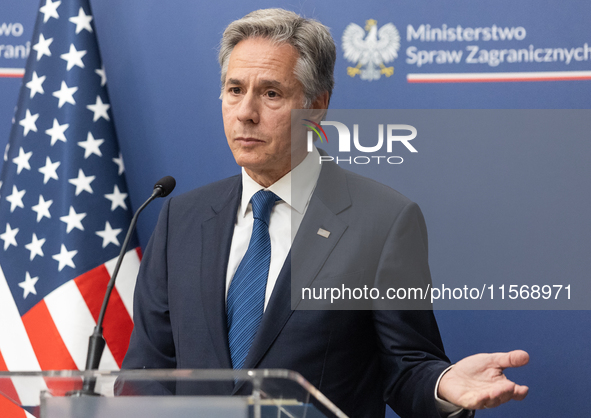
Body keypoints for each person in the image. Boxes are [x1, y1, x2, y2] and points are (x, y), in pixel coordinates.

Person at [122, 8, 529, 417]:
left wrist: (443, 386)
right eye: (233, 90)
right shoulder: (181, 219)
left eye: (270, 93)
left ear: (316, 107)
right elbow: (146, 370)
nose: (245, 111)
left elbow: (406, 368)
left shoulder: (383, 221)